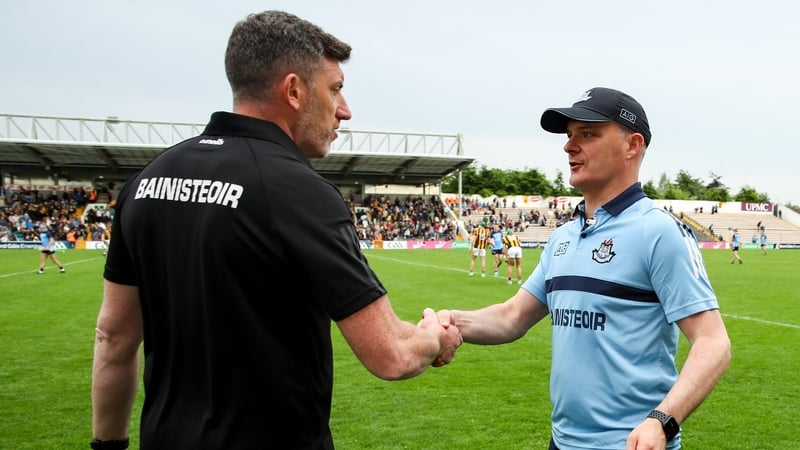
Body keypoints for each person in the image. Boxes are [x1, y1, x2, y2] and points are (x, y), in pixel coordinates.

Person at [90, 11, 462, 450]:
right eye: (336, 89)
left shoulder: (148, 180)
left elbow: (113, 337)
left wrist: (108, 445)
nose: (344, 110)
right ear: (293, 91)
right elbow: (392, 355)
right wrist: (434, 336)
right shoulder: (301, 192)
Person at [436, 87, 731, 449]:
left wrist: (662, 421)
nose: (569, 146)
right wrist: (452, 322)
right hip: (561, 442)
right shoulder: (563, 237)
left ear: (632, 145)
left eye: (587, 134)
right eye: (569, 136)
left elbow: (713, 343)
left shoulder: (657, 231)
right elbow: (512, 317)